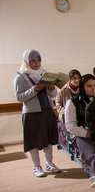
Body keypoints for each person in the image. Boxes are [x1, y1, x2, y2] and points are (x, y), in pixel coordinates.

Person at [13, 49, 60, 177]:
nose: (36, 63)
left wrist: (51, 89)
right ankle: (36, 166)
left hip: (47, 110)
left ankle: (49, 163)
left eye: (38, 60)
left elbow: (53, 94)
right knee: (33, 140)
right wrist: (34, 89)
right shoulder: (20, 77)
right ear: (26, 62)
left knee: (48, 139)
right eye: (33, 61)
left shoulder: (43, 74)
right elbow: (19, 97)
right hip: (32, 114)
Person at [65, 74, 95, 186]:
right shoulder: (73, 102)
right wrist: (86, 134)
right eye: (89, 85)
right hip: (80, 133)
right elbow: (70, 126)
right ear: (82, 86)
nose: (92, 88)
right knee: (91, 151)